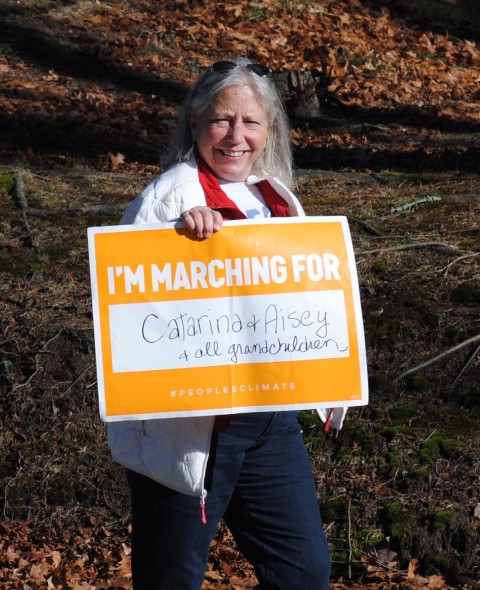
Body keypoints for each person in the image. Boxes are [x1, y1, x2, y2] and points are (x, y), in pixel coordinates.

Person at [107, 57, 346, 590]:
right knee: (172, 579)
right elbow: (128, 312)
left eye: (251, 123)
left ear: (270, 132)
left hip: (269, 423)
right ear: (195, 123)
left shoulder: (275, 200)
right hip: (191, 434)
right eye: (222, 120)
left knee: (304, 572)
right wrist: (174, 241)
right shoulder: (166, 201)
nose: (236, 136)